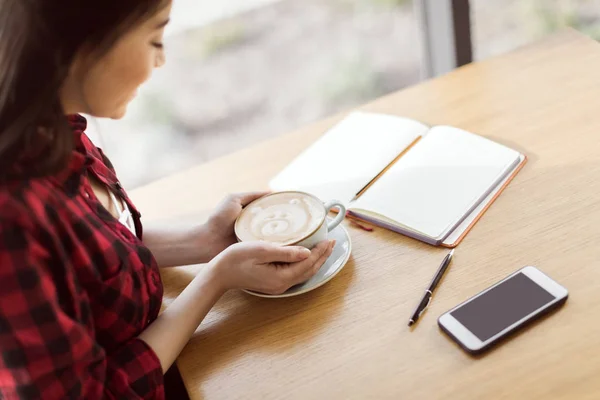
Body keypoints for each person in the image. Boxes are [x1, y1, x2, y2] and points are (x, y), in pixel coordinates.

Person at [0, 1, 335, 398]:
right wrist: (216, 279)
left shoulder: (54, 129)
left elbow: (99, 253)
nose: (160, 60)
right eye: (155, 38)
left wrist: (203, 241)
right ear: (82, 42)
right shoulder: (12, 222)